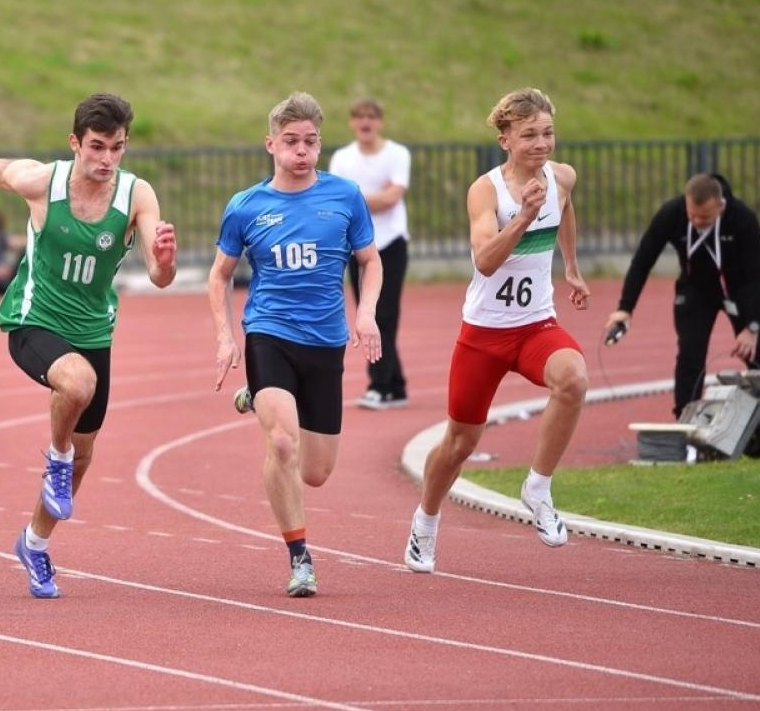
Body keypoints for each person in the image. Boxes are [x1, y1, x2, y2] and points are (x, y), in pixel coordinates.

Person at [0, 93, 176, 600]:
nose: (106, 159)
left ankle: (33, 543)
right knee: (77, 384)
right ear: (75, 143)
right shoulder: (41, 182)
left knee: (85, 458)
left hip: (93, 331)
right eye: (96, 147)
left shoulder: (136, 196)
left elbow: (160, 278)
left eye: (117, 148)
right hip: (33, 320)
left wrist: (164, 260)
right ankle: (54, 456)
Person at [405, 88, 590, 575]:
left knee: (573, 379)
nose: (541, 143)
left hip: (535, 327)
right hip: (484, 333)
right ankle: (425, 522)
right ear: (505, 138)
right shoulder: (485, 191)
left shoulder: (562, 177)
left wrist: (570, 265)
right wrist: (525, 216)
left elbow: (565, 206)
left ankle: (539, 486)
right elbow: (486, 262)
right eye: (529, 135)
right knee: (460, 442)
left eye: (548, 133)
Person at [209, 92, 382, 598]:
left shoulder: (345, 196)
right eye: (290, 142)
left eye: (310, 142)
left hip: (326, 340)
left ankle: (254, 398)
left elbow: (370, 261)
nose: (301, 151)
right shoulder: (246, 207)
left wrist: (366, 313)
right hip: (270, 333)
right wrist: (226, 337)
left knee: (317, 472)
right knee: (282, 442)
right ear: (271, 145)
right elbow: (219, 277)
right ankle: (300, 557)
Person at [605, 173, 760, 418]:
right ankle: (685, 422)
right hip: (696, 290)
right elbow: (643, 260)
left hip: (740, 292)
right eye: (692, 215)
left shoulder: (743, 219)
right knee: (690, 357)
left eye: (705, 217)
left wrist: (752, 326)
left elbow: (759, 277)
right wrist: (626, 307)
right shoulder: (672, 213)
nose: (697, 221)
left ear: (720, 206)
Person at [327, 97, 410, 410]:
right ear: (351, 122)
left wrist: (357, 198)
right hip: (356, 245)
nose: (365, 122)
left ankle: (380, 385)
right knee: (366, 312)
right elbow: (340, 201)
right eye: (360, 116)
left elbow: (393, 197)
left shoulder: (397, 154)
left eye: (372, 116)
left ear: (380, 122)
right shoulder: (342, 159)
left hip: (390, 242)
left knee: (385, 314)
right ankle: (395, 386)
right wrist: (372, 198)